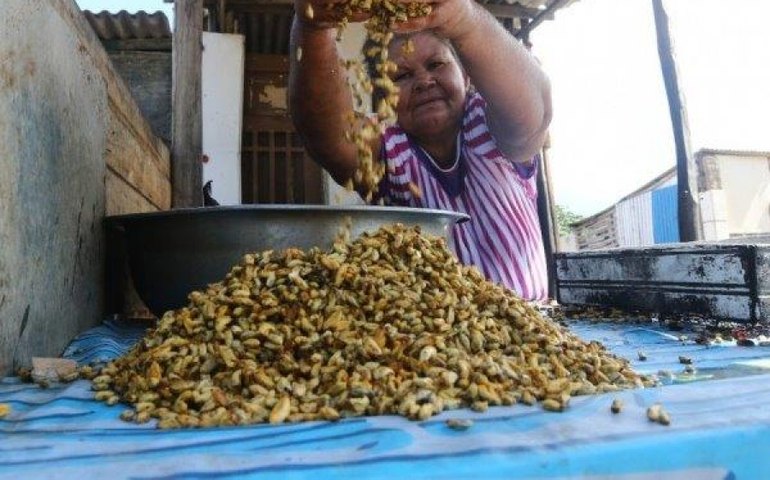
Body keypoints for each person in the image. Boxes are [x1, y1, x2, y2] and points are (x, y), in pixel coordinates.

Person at [288, 0, 552, 301]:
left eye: (437, 64)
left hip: (531, 331)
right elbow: (327, 139)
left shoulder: (489, 122)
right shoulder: (388, 152)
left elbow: (535, 113)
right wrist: (313, 26)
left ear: (466, 77)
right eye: (401, 76)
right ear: (384, 99)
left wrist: (464, 17)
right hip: (430, 340)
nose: (424, 82)